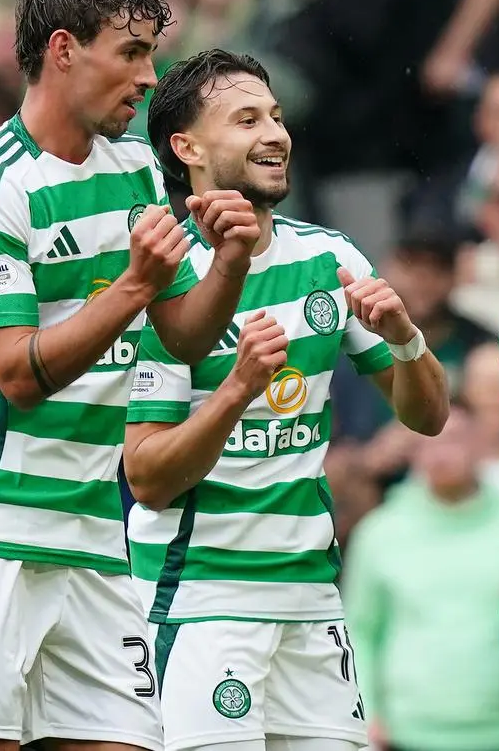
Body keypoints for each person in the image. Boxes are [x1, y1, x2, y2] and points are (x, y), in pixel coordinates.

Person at [0, 0, 260, 751]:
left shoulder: (133, 172)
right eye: (132, 52)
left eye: (151, 52)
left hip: (88, 529)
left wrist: (227, 260)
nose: (152, 77)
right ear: (62, 50)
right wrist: (132, 285)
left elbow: (183, 336)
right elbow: (18, 373)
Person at [123, 48, 451, 751]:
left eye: (275, 116)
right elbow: (146, 476)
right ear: (188, 147)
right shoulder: (164, 272)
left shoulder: (329, 258)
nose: (276, 133)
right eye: (247, 119)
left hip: (312, 600)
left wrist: (403, 338)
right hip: (199, 602)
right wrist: (238, 389)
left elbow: (428, 417)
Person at [344, 405, 499, 751]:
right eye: (427, 441)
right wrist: (365, 716)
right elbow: (359, 632)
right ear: (411, 452)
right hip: (407, 733)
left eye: (453, 439)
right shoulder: (380, 532)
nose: (441, 453)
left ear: (479, 441)